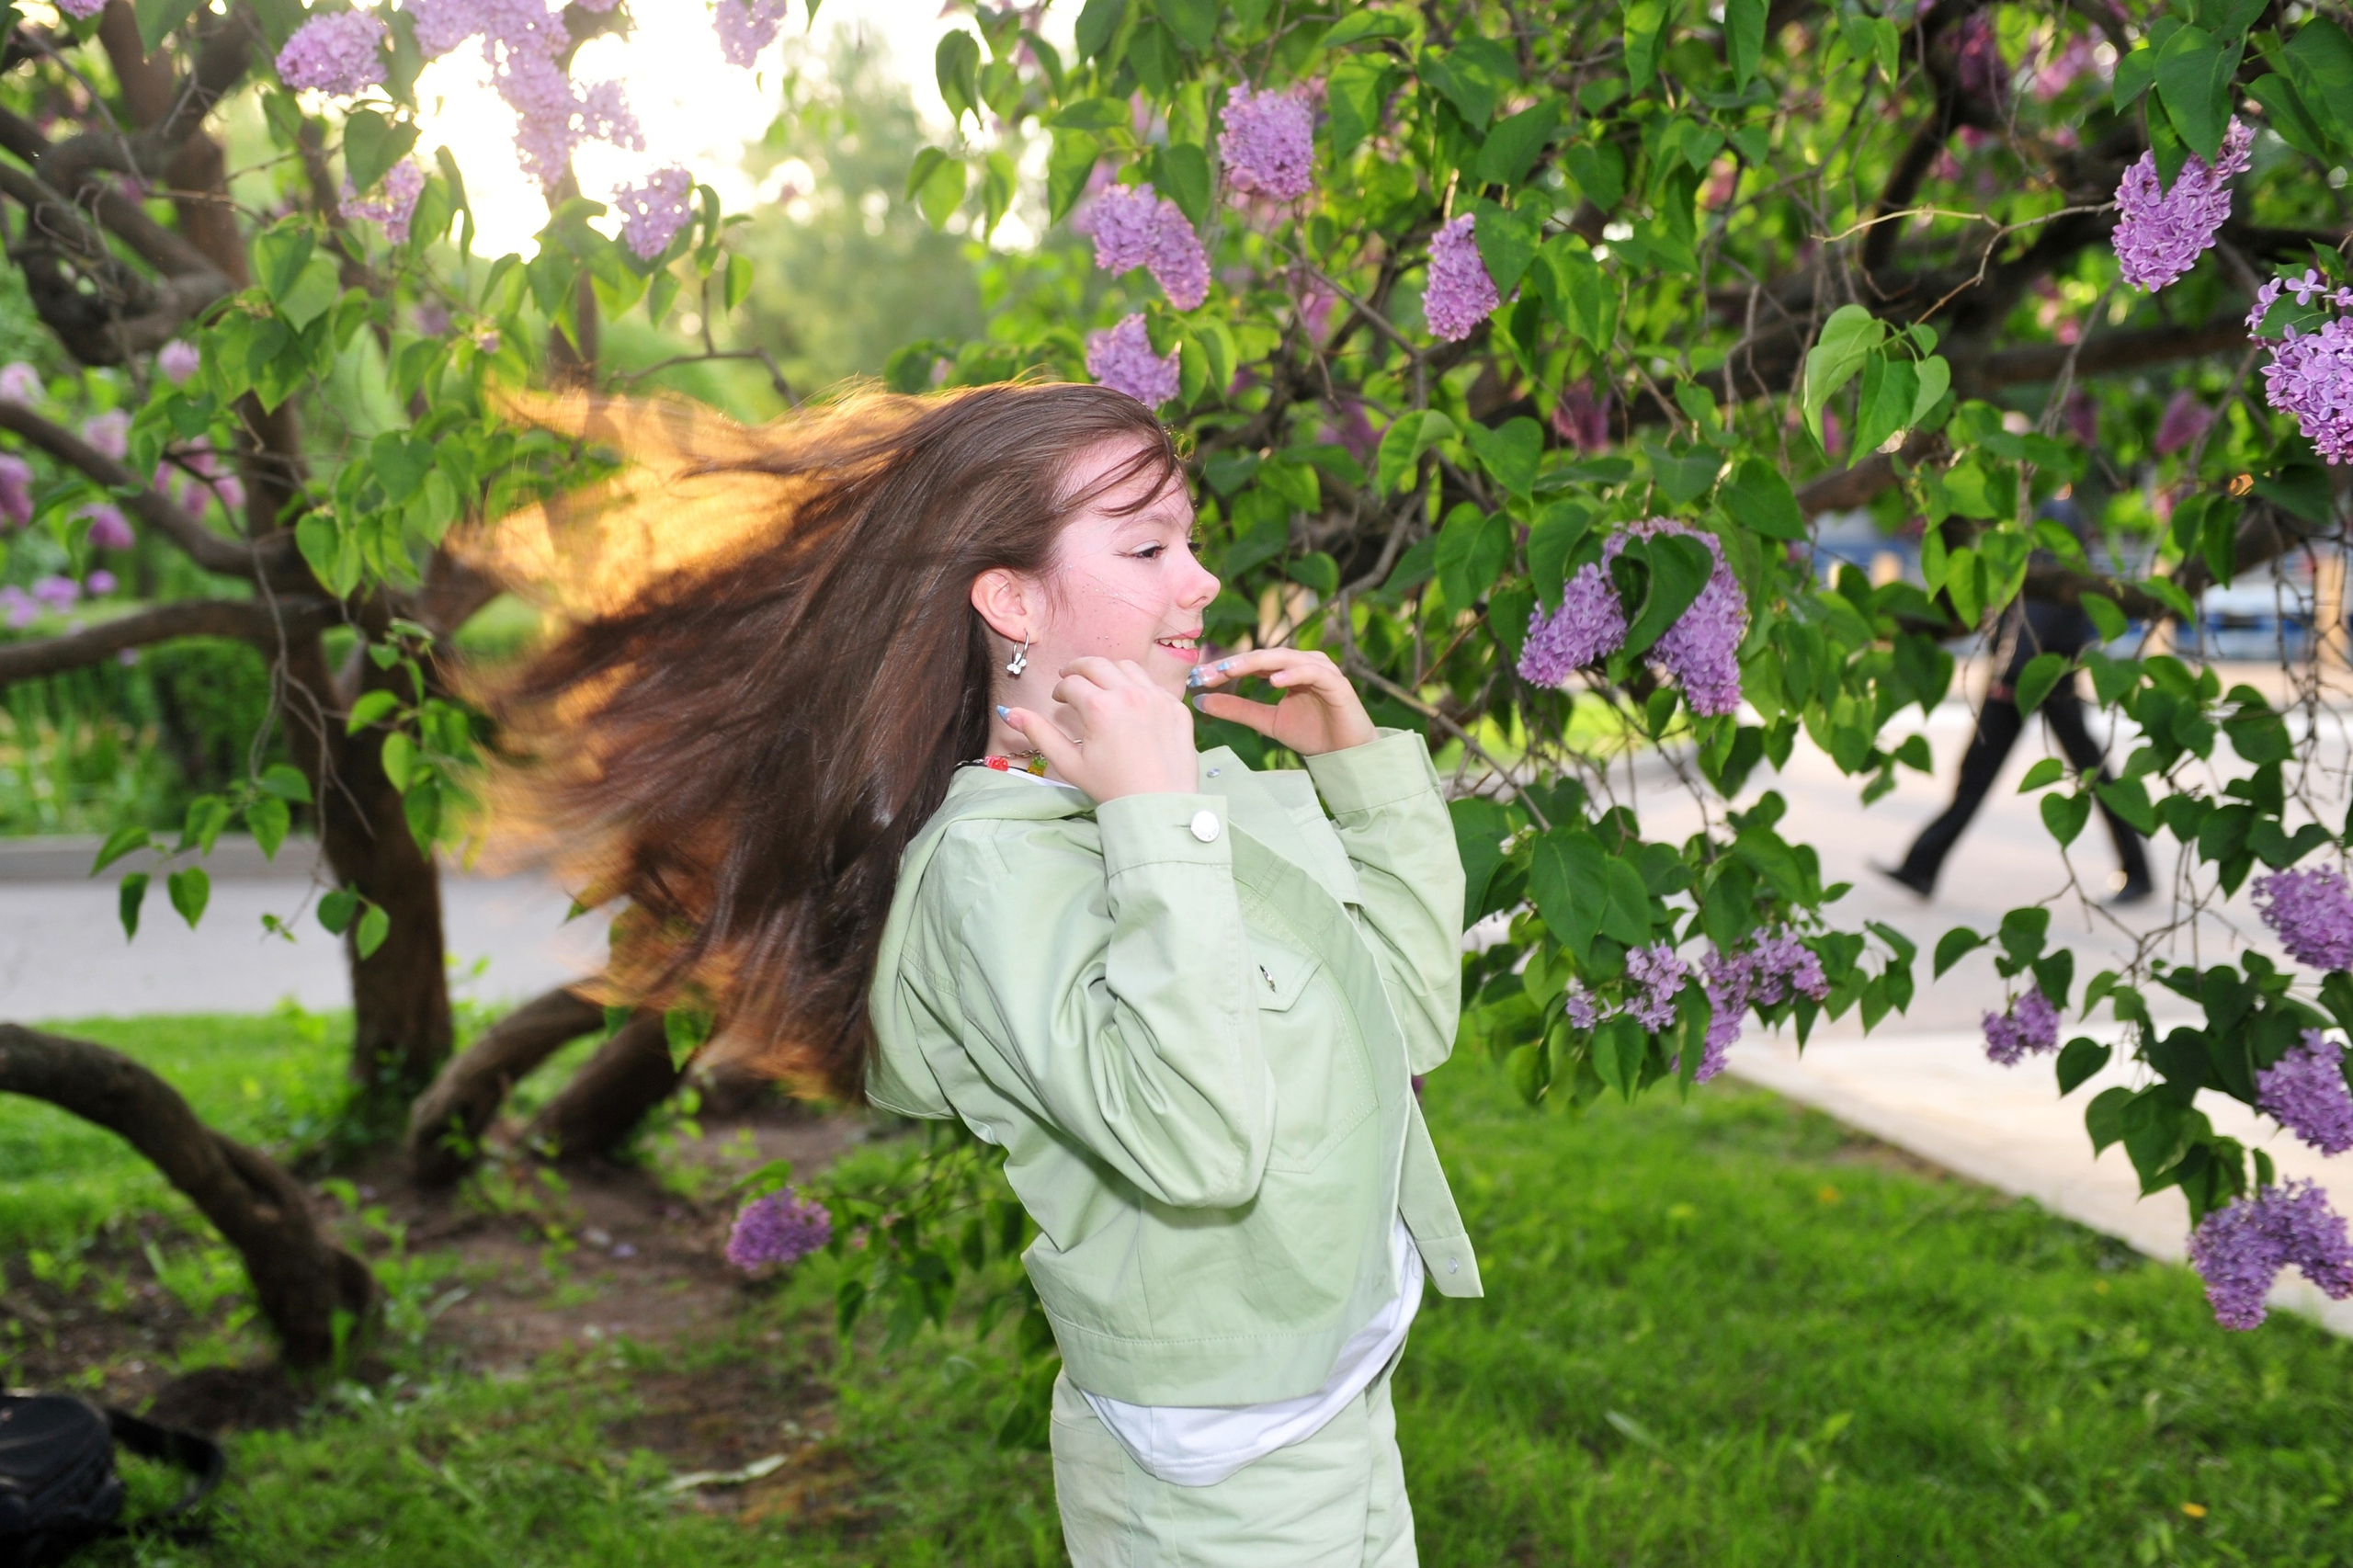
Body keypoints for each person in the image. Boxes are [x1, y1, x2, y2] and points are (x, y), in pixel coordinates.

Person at [471, 381, 1481, 1566]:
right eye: (1148, 546)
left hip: (1347, 1383)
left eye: (1191, 541)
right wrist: (1157, 821)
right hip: (1222, 1475)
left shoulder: (1194, 794)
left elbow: (1409, 1024)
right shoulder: (995, 872)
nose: (1202, 579)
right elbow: (1199, 1148)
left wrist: (1361, 774)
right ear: (1009, 598)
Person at [1881, 500, 2153, 903]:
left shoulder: (2053, 562)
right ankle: (1922, 865)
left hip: (2038, 680)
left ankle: (2139, 872)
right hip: (2023, 677)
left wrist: (2006, 675)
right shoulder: (2048, 563)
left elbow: (2038, 624)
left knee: (2087, 772)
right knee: (1991, 774)